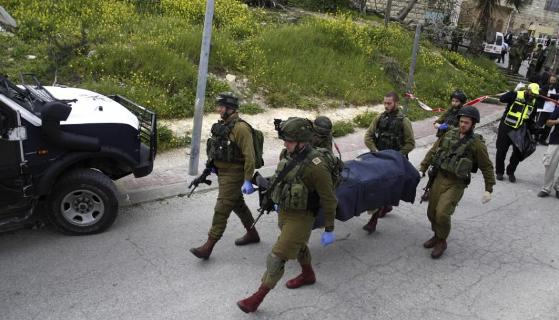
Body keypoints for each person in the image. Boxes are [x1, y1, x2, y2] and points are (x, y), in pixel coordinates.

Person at [236, 117, 338, 313]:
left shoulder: (316, 166)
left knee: (277, 256)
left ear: (302, 141)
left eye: (289, 140)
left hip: (302, 217)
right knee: (298, 246)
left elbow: (329, 199)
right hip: (285, 210)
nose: (285, 144)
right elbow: (280, 179)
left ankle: (256, 298)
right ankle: (308, 275)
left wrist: (329, 228)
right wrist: (267, 194)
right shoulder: (289, 154)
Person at [190, 92, 259, 260]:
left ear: (230, 108)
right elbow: (218, 149)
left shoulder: (241, 128)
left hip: (234, 175)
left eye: (221, 106)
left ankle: (208, 246)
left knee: (221, 208)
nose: (218, 109)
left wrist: (248, 179)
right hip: (223, 173)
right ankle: (252, 234)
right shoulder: (224, 125)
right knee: (237, 204)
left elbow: (250, 156)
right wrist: (211, 168)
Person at [419, 106, 495, 259]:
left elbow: (486, 166)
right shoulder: (449, 134)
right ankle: (437, 234)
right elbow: (433, 151)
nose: (462, 125)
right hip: (439, 177)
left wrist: (489, 189)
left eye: (466, 123)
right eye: (461, 121)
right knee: (431, 212)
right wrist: (423, 168)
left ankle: (442, 240)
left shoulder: (476, 144)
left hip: (456, 182)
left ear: (473, 124)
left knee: (442, 213)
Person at [362, 92, 415, 232]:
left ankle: (373, 220)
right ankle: (386, 206)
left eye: (389, 103)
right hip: (379, 160)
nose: (386, 106)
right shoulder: (379, 117)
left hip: (394, 162)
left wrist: (396, 156)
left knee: (382, 189)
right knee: (376, 187)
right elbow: (368, 136)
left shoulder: (404, 121)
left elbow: (410, 143)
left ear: (396, 103)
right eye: (384, 103)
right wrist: (375, 151)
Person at [495, 83, 540, 183]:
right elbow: (502, 99)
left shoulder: (534, 102)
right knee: (501, 150)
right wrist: (512, 92)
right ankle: (499, 171)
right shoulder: (515, 95)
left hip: (520, 130)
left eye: (535, 94)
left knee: (518, 153)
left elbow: (531, 117)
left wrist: (533, 129)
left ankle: (511, 172)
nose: (532, 95)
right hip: (506, 126)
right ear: (527, 90)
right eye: (531, 93)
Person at [537, 105, 559, 198]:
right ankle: (546, 188)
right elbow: (548, 123)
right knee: (550, 164)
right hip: (556, 140)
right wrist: (557, 121)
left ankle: (558, 187)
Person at [535, 75, 559, 145]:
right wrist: (553, 96)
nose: (552, 82)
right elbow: (542, 96)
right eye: (551, 80)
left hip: (552, 110)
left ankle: (542, 139)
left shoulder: (557, 88)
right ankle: (535, 139)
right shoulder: (544, 87)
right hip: (543, 109)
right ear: (549, 80)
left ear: (556, 81)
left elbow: (556, 96)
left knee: (548, 126)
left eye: (554, 80)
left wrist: (550, 96)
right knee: (538, 125)